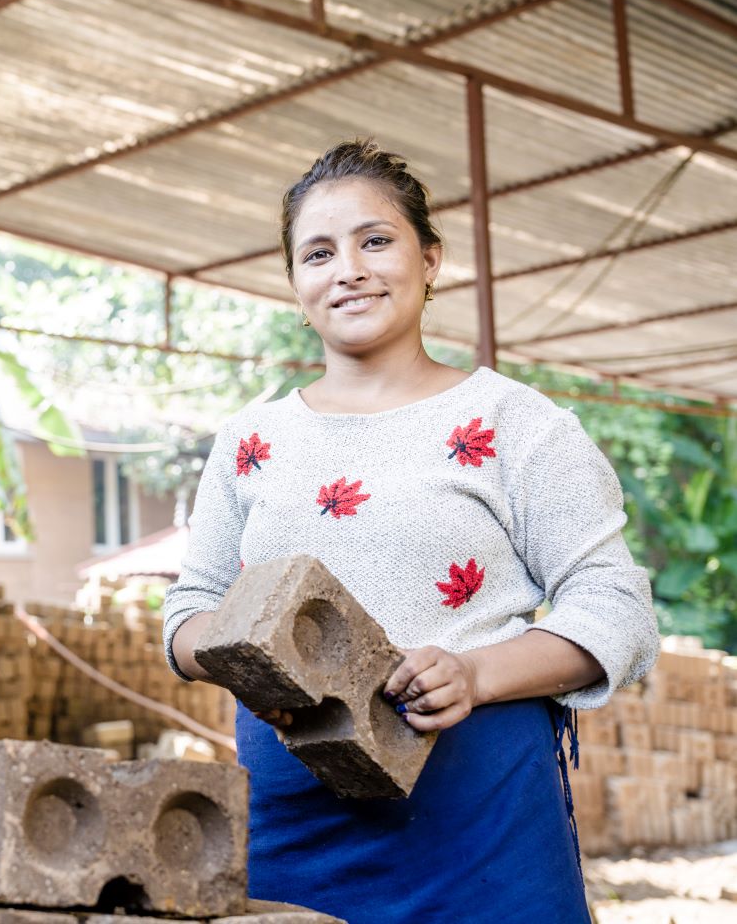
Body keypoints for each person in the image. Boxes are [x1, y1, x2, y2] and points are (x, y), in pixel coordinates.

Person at [162, 140, 659, 924]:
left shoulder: (514, 424)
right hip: (293, 827)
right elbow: (188, 610)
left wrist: (475, 674)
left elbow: (617, 608)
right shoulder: (251, 442)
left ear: (430, 259)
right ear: (297, 287)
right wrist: (252, 658)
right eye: (318, 253)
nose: (348, 269)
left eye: (376, 240)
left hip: (478, 824)